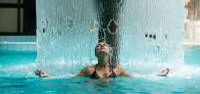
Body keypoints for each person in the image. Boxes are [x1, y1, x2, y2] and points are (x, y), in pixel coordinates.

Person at [35, 42, 170, 78]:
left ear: (109, 52)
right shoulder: (89, 70)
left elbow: (137, 78)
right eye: (99, 46)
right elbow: (70, 78)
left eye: (104, 45)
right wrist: (48, 76)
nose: (102, 46)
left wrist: (158, 75)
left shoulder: (117, 70)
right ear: (96, 53)